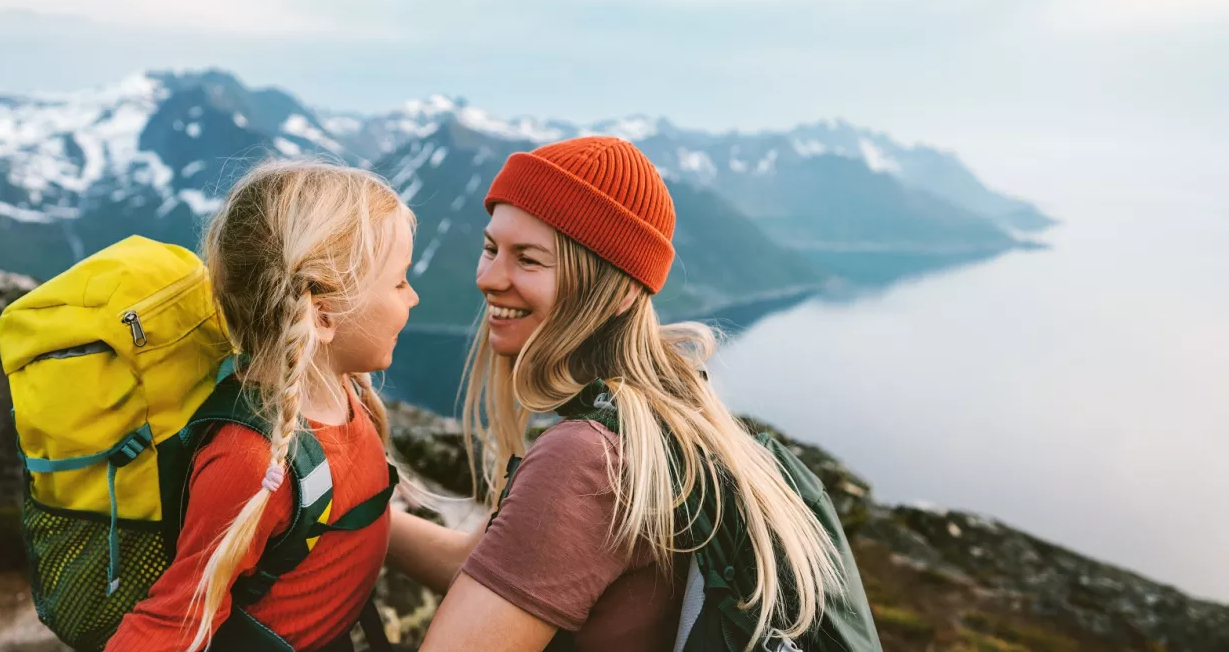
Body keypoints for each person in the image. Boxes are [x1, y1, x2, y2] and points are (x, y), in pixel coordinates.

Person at [388, 136, 868, 651]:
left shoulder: (586, 460)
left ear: (615, 292)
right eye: (490, 248)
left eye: (527, 259)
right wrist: (351, 516)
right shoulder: (665, 413)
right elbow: (496, 567)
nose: (488, 277)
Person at [106, 160, 419, 652]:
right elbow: (174, 620)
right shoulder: (251, 461)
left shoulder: (343, 390)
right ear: (323, 314)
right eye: (400, 282)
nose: (414, 297)